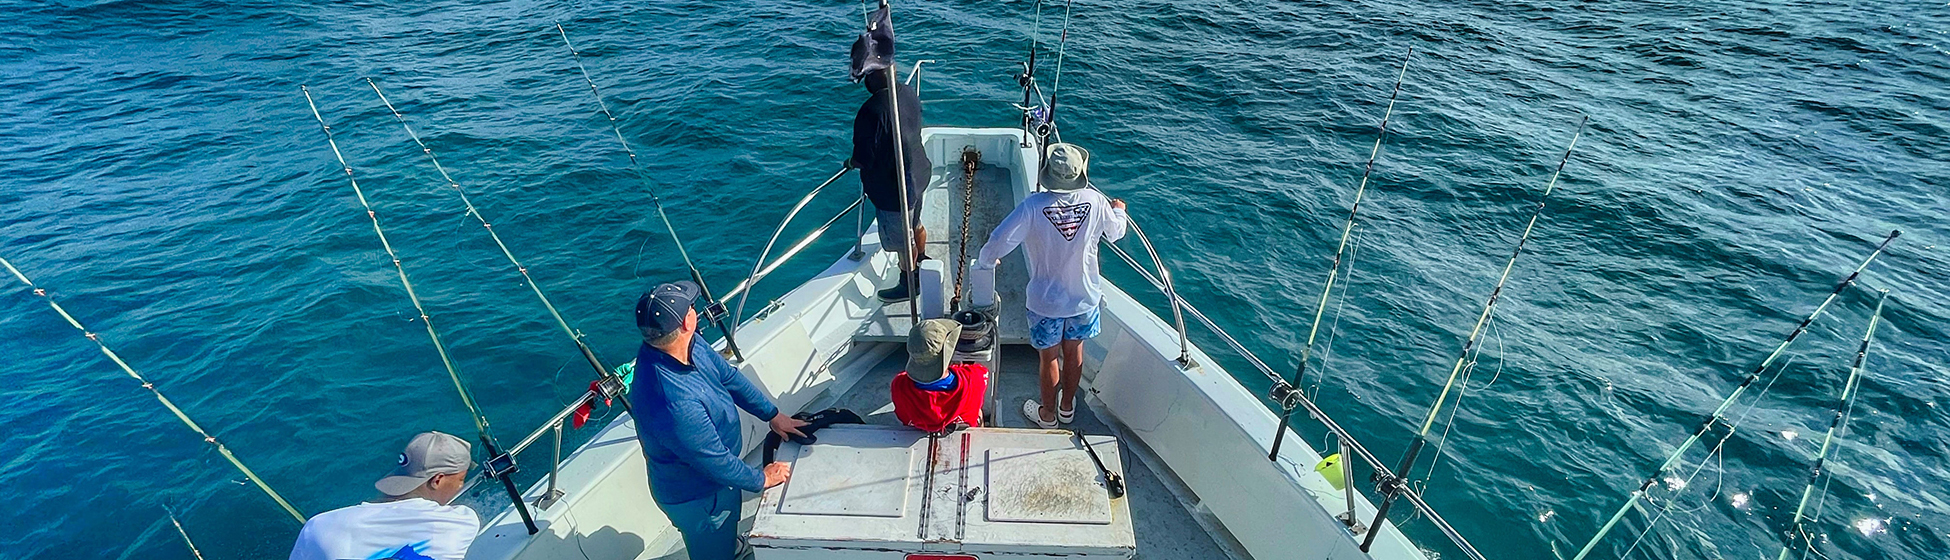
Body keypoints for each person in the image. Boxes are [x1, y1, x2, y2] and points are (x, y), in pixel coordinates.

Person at [631, 280, 809, 560]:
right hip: (699, 497)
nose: (695, 309)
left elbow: (730, 378)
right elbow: (715, 462)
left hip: (716, 483)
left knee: (723, 536)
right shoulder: (673, 402)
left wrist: (774, 416)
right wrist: (760, 478)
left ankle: (729, 544)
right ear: (687, 322)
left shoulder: (690, 344)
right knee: (713, 552)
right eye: (692, 307)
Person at [973, 143, 1127, 429]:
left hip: (1046, 302)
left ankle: (1047, 415)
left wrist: (985, 261)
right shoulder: (1095, 201)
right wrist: (1118, 211)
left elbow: (999, 239)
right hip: (1084, 298)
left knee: (1049, 359)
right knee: (1075, 351)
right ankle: (1066, 408)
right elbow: (1115, 233)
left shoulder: (1033, 206)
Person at [288, 431, 480, 560]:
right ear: (437, 480)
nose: (460, 487)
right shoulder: (460, 523)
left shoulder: (317, 526)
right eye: (461, 479)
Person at [850, 5, 931, 302]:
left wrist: (850, 162)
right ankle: (923, 259)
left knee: (901, 241)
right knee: (917, 224)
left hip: (894, 191)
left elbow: (863, 158)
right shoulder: (907, 93)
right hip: (919, 176)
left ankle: (909, 281)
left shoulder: (871, 111)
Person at [890, 318, 989, 433]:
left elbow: (902, 415)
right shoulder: (975, 377)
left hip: (918, 427)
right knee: (978, 411)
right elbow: (982, 371)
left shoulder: (899, 384)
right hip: (963, 427)